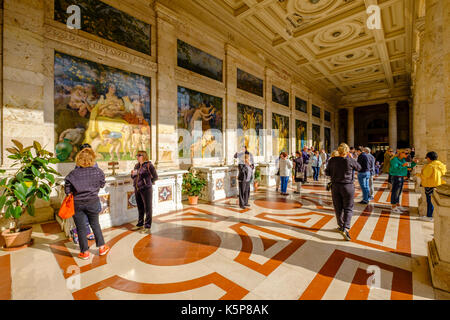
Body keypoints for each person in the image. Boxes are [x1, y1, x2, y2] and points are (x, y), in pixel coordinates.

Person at [64, 148, 109, 260]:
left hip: (77, 203)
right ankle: (102, 248)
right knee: (95, 224)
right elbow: (102, 184)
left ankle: (84, 252)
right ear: (92, 159)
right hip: (93, 201)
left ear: (78, 159)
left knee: (81, 228)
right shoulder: (98, 171)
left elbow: (67, 189)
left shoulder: (73, 173)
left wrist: (73, 191)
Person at [325, 143, 362, 241]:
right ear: (347, 151)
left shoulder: (332, 160)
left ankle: (340, 225)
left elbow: (327, 172)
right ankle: (345, 228)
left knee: (338, 207)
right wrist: (351, 158)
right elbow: (359, 167)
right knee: (348, 208)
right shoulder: (349, 160)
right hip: (347, 186)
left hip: (335, 186)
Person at [131, 150, 158, 233]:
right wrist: (132, 174)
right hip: (137, 188)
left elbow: (155, 176)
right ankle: (140, 224)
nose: (137, 157)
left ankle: (147, 226)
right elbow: (133, 177)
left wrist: (148, 183)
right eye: (137, 155)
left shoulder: (149, 165)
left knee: (148, 208)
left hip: (146, 189)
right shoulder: (137, 165)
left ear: (144, 156)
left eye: (139, 155)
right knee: (140, 207)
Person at [416, 151, 447, 221]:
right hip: (439, 185)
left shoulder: (430, 166)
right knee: (434, 201)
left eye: (427, 158)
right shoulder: (442, 165)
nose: (427, 159)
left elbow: (425, 176)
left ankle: (429, 216)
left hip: (430, 185)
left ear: (429, 158)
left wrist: (417, 174)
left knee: (430, 201)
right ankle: (431, 216)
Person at [389, 149, 417, 213]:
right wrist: (402, 165)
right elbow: (394, 168)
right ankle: (393, 207)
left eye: (408, 153)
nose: (407, 155)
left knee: (398, 192)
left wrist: (414, 163)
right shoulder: (394, 159)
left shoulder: (403, 160)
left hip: (401, 177)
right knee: (395, 192)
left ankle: (397, 205)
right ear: (401, 153)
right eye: (406, 153)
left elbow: (408, 165)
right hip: (396, 177)